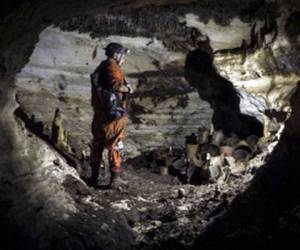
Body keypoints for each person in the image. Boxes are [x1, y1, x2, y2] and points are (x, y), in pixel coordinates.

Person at [90, 42, 132, 188]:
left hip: (101, 113)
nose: (124, 59)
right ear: (116, 55)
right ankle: (114, 180)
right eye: (123, 55)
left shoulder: (102, 66)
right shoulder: (111, 67)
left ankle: (94, 177)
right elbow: (115, 85)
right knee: (116, 144)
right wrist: (127, 89)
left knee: (98, 143)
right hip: (113, 115)